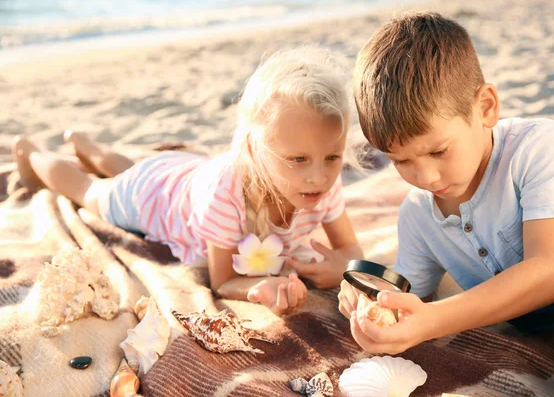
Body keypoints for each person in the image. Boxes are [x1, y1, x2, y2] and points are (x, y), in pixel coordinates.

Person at [11, 47, 363, 316]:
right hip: (151, 196)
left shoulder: (323, 183)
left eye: (332, 158)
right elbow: (222, 281)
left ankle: (87, 146)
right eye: (297, 159)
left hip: (181, 173)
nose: (319, 176)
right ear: (255, 149)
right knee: (88, 189)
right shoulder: (229, 195)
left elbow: (351, 251)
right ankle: (33, 154)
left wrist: (345, 268)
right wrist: (263, 288)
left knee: (133, 169)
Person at [337, 11, 554, 357]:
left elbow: (549, 272)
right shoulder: (418, 215)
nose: (426, 178)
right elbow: (411, 297)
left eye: (439, 151)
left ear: (486, 107)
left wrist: (433, 319)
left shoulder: (541, 149)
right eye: (400, 161)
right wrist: (374, 301)